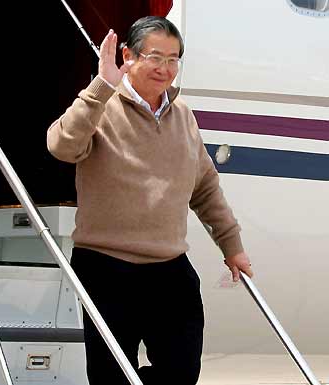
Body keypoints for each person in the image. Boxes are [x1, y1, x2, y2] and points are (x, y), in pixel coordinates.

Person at [47, 16, 253, 385]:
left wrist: (232, 245)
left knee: (182, 371)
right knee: (111, 375)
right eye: (155, 57)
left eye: (174, 59)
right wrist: (101, 86)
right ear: (129, 55)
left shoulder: (184, 116)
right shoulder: (101, 106)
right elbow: (62, 146)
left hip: (169, 266)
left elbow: (205, 186)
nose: (165, 69)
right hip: (106, 266)